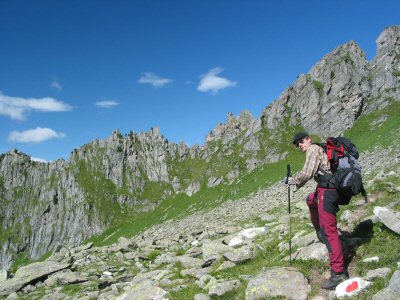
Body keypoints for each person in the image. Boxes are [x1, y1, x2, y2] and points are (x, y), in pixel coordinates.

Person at [287, 132, 350, 290]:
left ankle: (339, 273)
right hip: (324, 186)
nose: (300, 145)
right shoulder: (317, 149)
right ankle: (320, 232)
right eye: (297, 144)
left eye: (301, 141)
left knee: (329, 231)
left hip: (328, 190)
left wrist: (291, 181)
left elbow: (307, 173)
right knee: (310, 200)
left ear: (309, 139)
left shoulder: (313, 149)